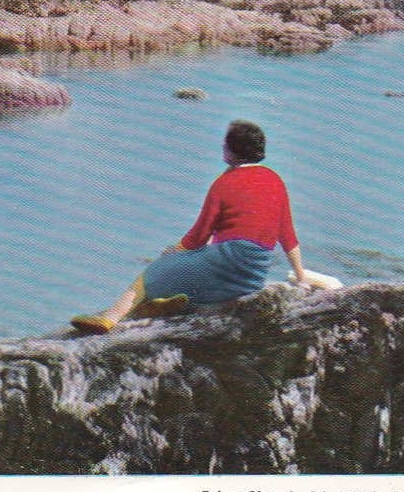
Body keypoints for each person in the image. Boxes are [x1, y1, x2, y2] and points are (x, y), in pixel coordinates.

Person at [71, 120, 322, 334]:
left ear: (233, 151)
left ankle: (110, 318)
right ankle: (172, 302)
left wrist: (174, 252)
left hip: (228, 257)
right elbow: (287, 235)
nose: (222, 147)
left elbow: (199, 235)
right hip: (253, 276)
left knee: (156, 271)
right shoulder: (275, 180)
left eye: (225, 143)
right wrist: (301, 278)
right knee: (200, 280)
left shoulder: (225, 182)